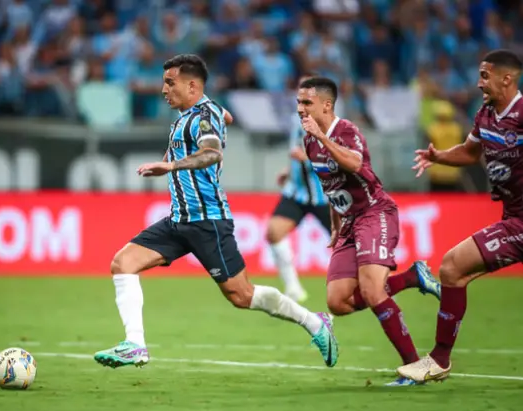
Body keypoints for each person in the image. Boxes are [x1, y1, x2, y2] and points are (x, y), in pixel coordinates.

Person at [93, 54, 339, 369]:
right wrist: (222, 113)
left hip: (207, 221)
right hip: (178, 220)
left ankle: (315, 323)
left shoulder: (202, 116)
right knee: (123, 263)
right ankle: (135, 345)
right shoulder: (195, 113)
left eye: (171, 82)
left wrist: (171, 164)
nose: (164, 89)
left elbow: (211, 151)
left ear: (192, 85)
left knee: (242, 295)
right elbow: (220, 117)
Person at [297, 76, 441, 386]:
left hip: (375, 213)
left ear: (326, 104)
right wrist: (335, 225)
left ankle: (414, 367)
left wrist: (322, 137)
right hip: (348, 223)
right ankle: (412, 277)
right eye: (298, 102)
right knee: (338, 302)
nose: (300, 108)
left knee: (373, 290)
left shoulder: (347, 132)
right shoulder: (308, 140)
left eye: (306, 102)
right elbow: (330, 185)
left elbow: (354, 164)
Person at [398, 49, 523, 383]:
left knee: (452, 267)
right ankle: (439, 360)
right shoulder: (485, 114)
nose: (479, 83)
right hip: (513, 217)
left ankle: (439, 359)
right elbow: (470, 152)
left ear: (506, 79)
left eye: (485, 76)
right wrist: (439, 157)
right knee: (453, 269)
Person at [267, 76, 332, 303]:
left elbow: (339, 160)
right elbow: (299, 150)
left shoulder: (330, 124)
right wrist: (290, 169)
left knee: (347, 244)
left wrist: (306, 159)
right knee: (274, 231)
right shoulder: (297, 121)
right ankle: (293, 287)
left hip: (326, 196)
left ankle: (367, 284)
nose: (302, 101)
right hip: (297, 192)